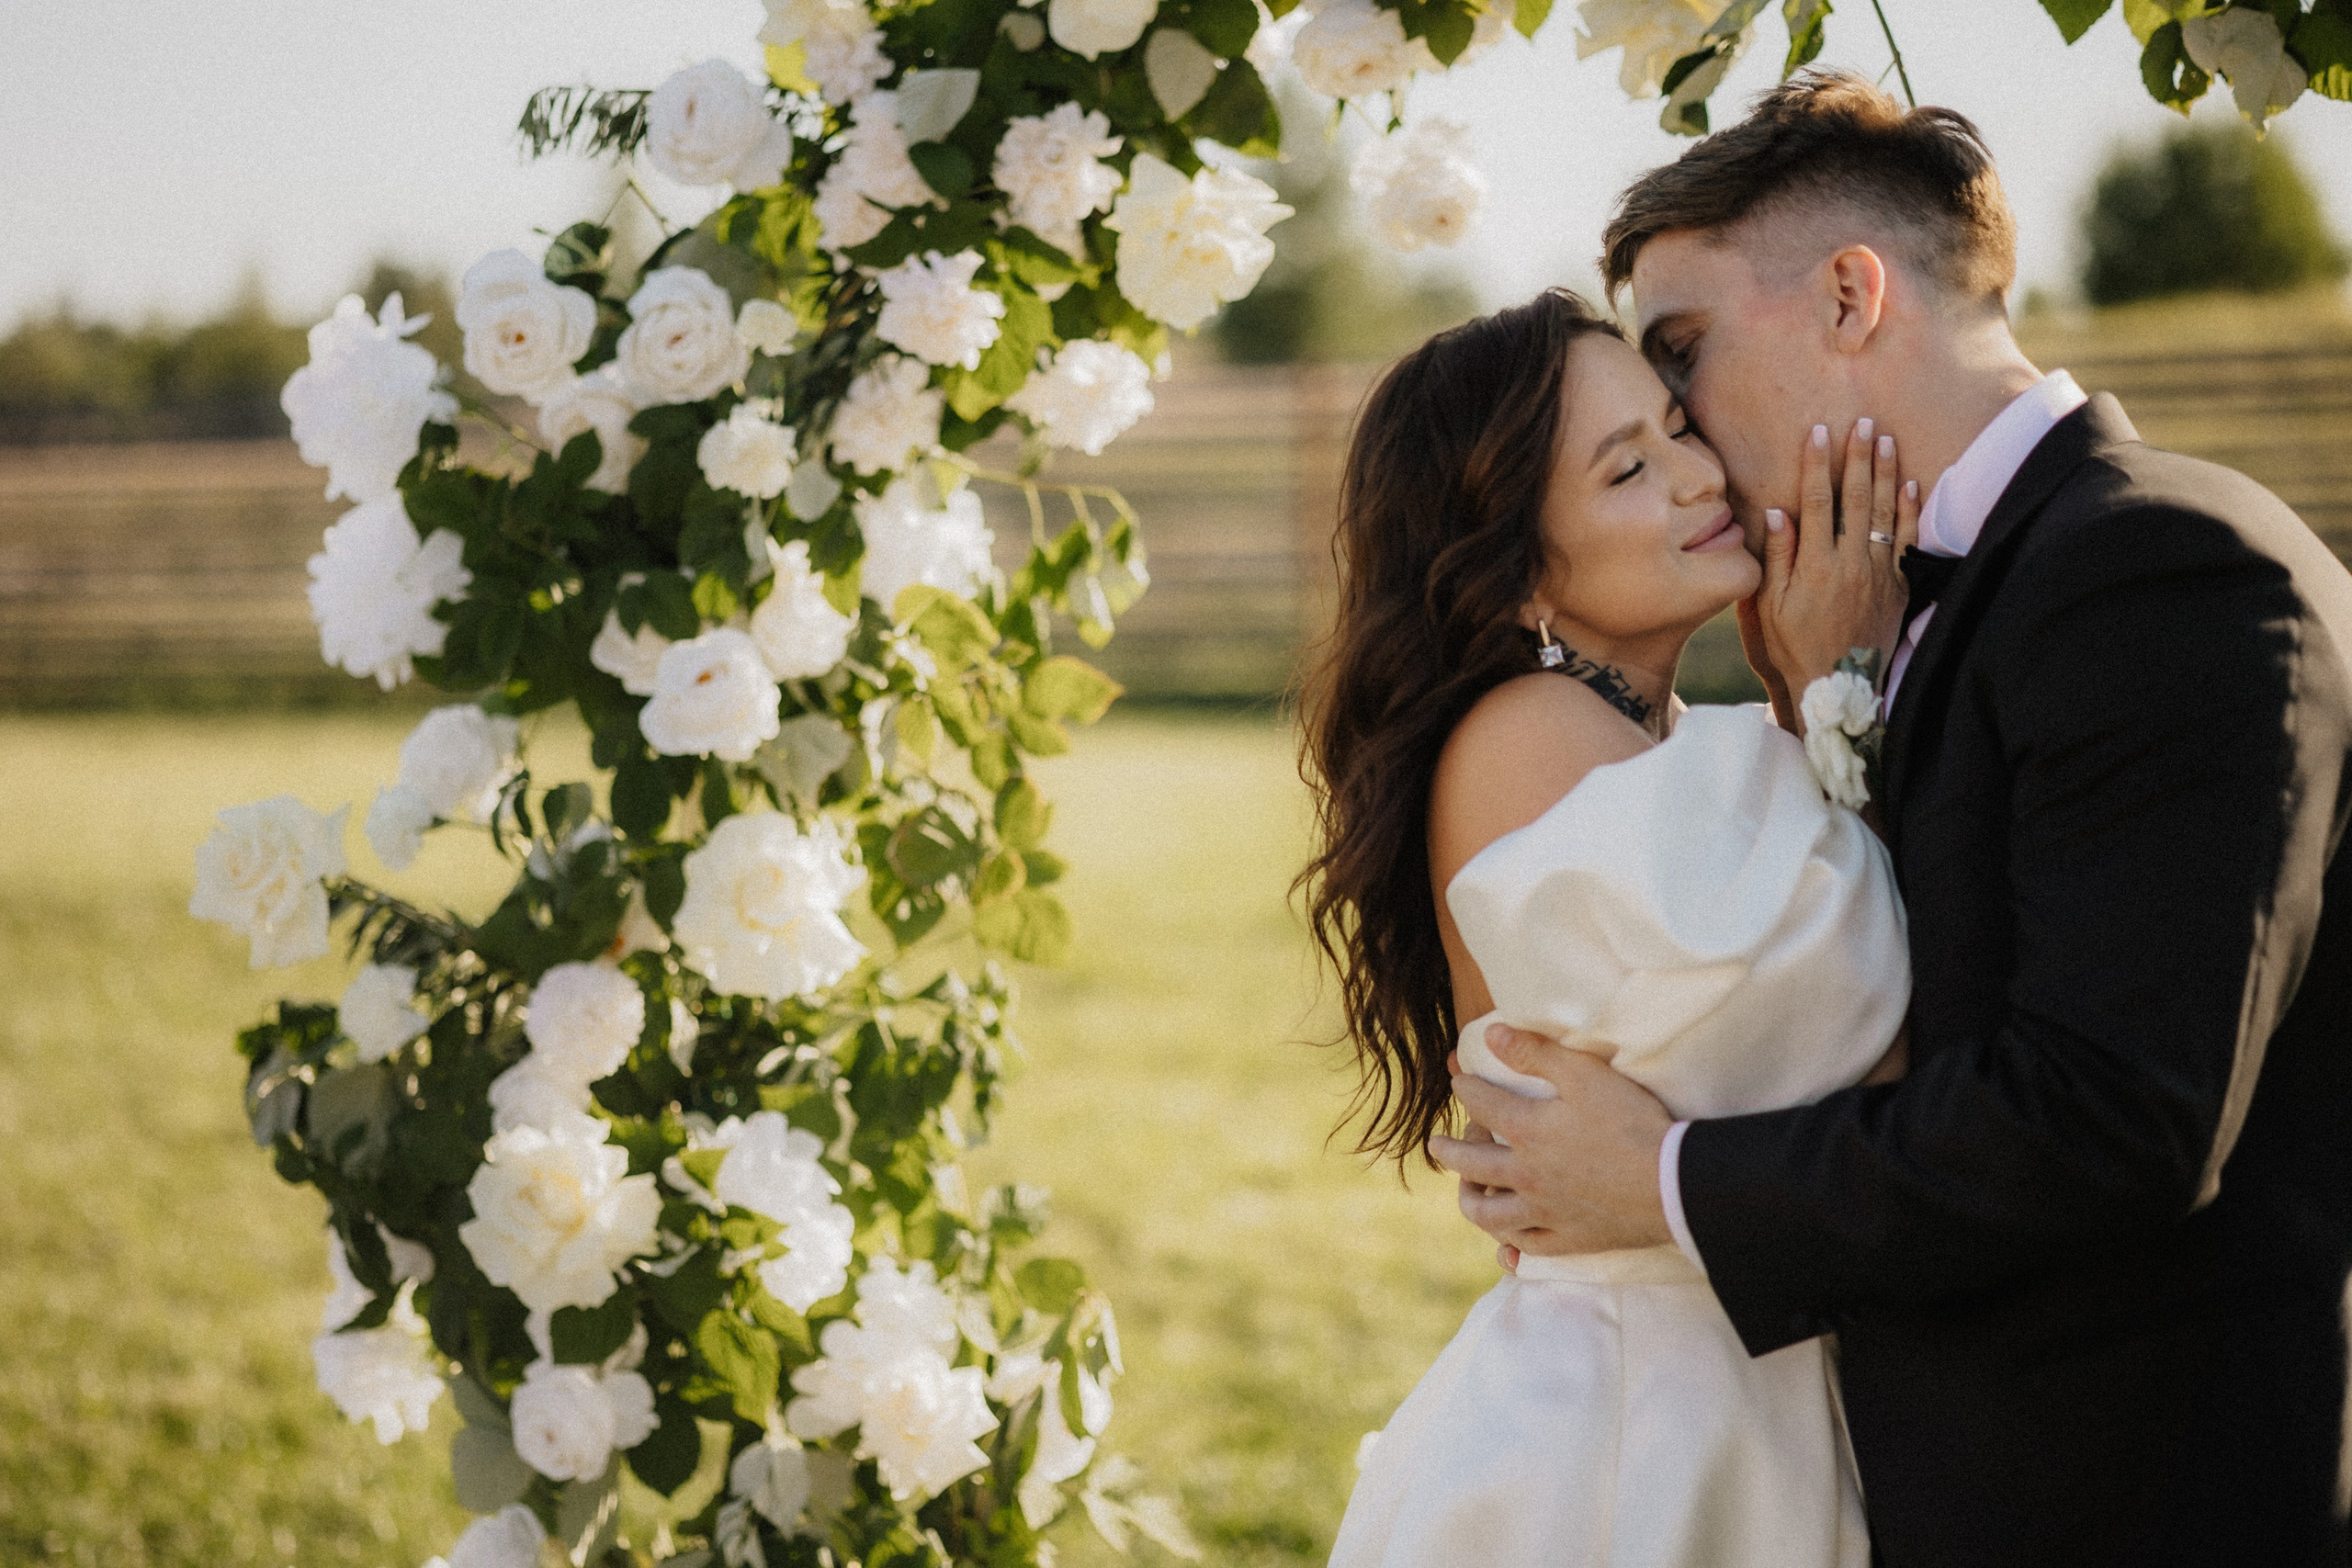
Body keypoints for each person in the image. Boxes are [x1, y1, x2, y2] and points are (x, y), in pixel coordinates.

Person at [1434, 72, 2352, 1565]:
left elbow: (2110, 1115)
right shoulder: (1898, 612)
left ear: (1853, 296)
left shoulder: (2167, 569)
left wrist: (1659, 1180)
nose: (1690, 440)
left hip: (2125, 1498)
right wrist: (1829, 692)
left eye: (1687, 361)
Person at [1297, 284, 1917, 1565]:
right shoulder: (1527, 734)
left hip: (1735, 1374)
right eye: (1630, 469)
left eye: (1679, 430)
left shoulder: (1655, 739)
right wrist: (1832, 680)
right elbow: (1844, 1021)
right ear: (1520, 563)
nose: (1700, 478)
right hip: (1636, 1431)